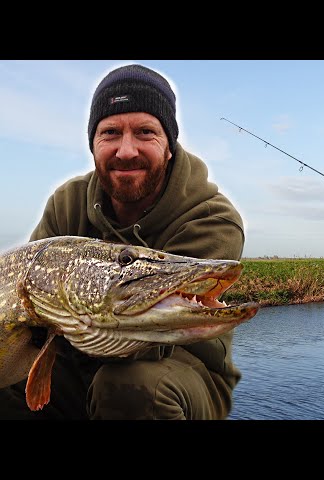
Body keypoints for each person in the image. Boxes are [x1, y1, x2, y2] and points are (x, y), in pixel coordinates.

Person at [0, 63, 246, 419]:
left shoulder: (212, 219)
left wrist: (71, 319)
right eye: (110, 132)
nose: (126, 150)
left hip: (179, 373)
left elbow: (155, 337)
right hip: (73, 358)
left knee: (133, 388)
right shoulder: (67, 203)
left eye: (145, 131)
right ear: (93, 144)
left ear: (170, 146)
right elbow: (38, 306)